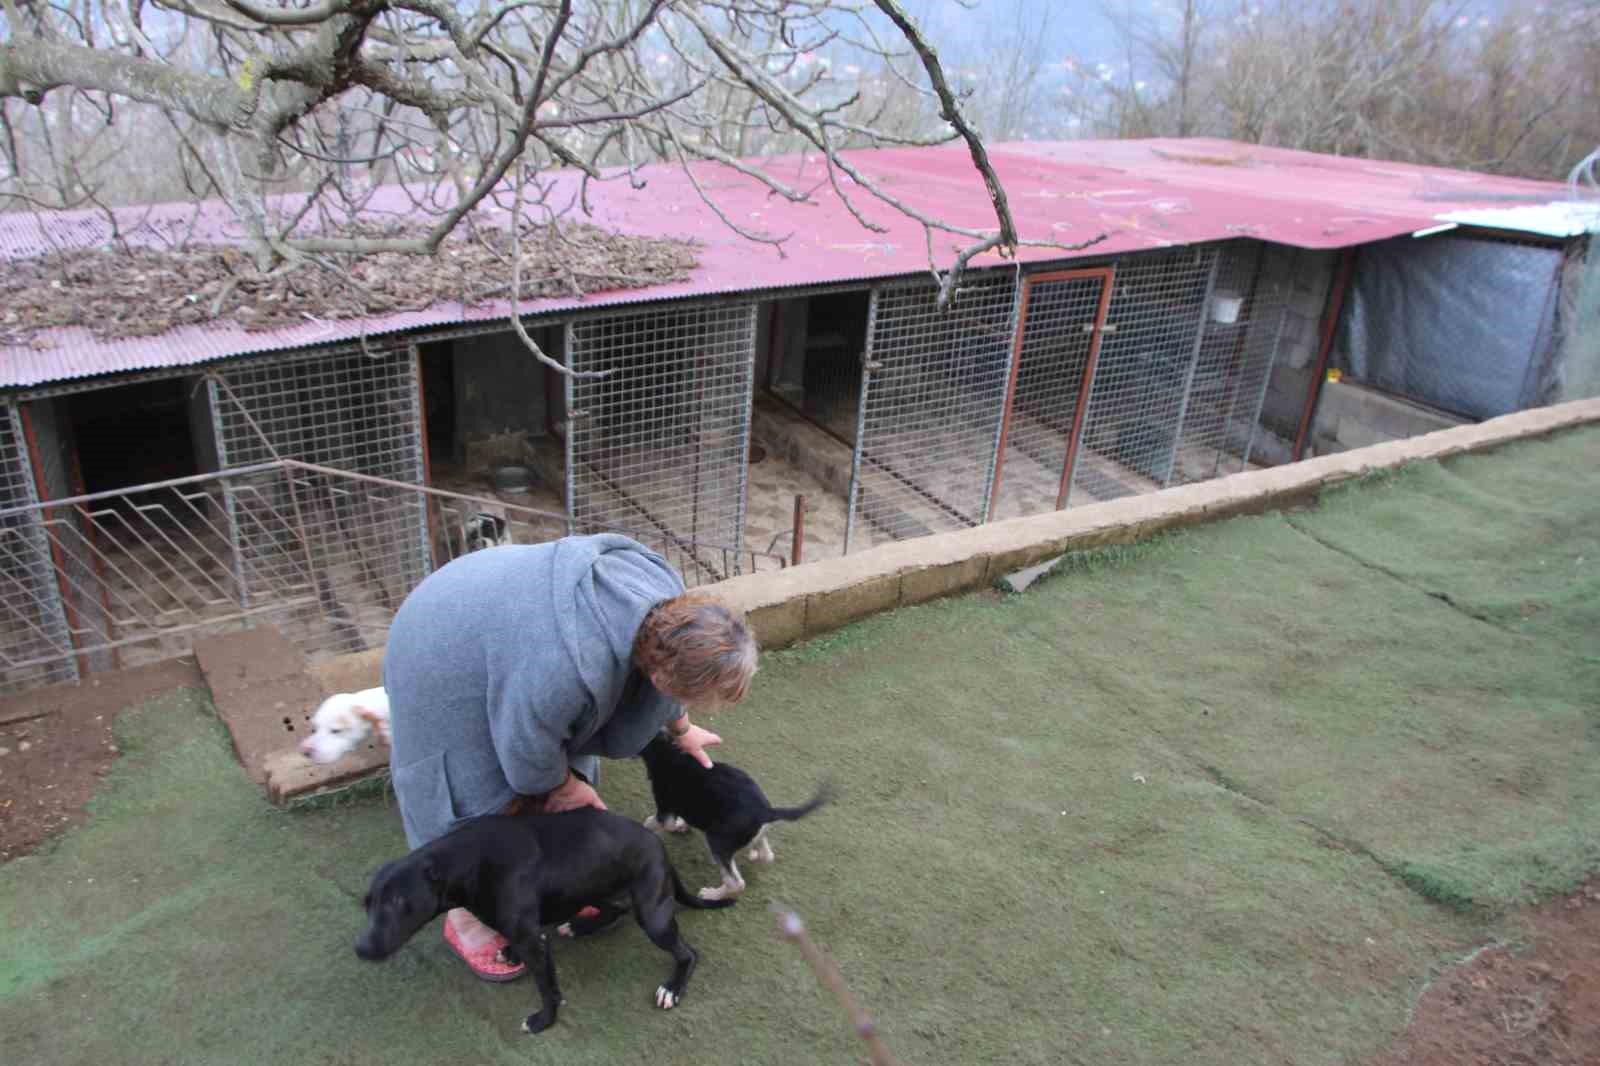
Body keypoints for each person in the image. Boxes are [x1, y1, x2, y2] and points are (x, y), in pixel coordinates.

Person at [382, 532, 759, 980]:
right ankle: (465, 917)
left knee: (553, 759)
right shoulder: (568, 670)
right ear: (664, 678)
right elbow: (525, 752)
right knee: (483, 788)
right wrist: (561, 784)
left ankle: (541, 850)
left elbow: (668, 680)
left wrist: (682, 729)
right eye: (695, 696)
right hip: (439, 642)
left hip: (511, 623)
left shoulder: (671, 615)